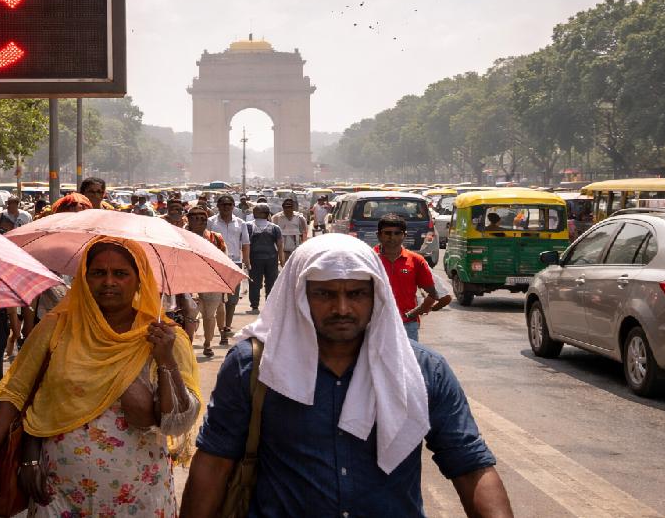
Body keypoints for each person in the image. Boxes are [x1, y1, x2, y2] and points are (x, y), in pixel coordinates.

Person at [180, 234, 513, 517]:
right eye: (324, 294)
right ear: (299, 296)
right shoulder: (254, 367)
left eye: (356, 294)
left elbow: (470, 467)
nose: (341, 308)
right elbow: (214, 462)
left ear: (376, 296)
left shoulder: (423, 370)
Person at [0, 237, 202, 517]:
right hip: (57, 492)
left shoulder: (163, 337)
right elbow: (15, 394)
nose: (109, 282)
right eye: (98, 273)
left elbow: (177, 423)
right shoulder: (56, 327)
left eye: (121, 274)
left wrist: (165, 360)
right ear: (83, 279)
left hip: (139, 495)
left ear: (140, 280)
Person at [375, 214, 450, 342]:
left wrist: (416, 312)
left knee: (408, 361)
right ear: (379, 235)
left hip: (407, 326)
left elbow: (436, 295)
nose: (392, 237)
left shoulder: (416, 261)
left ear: (404, 235)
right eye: (387, 233)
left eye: (397, 233)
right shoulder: (369, 259)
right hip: (375, 327)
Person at [186, 206, 229, 358]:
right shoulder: (180, 236)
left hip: (211, 283)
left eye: (203, 218)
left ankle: (207, 344)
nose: (200, 221)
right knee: (189, 316)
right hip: (187, 282)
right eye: (195, 218)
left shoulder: (216, 238)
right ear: (189, 220)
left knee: (209, 316)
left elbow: (224, 261)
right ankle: (187, 345)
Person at [208, 196, 250, 345]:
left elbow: (245, 244)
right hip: (216, 263)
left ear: (233, 206)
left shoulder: (241, 223)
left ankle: (226, 325)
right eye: (223, 204)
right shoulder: (210, 222)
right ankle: (217, 327)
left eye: (229, 204)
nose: (226, 207)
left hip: (234, 263)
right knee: (217, 299)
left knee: (232, 298)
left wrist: (247, 262)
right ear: (218, 206)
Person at [245, 204, 283, 313]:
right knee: (254, 283)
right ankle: (255, 306)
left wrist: (282, 261)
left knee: (271, 283)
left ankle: (269, 306)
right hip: (255, 259)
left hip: (271, 259)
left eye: (257, 211)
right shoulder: (248, 226)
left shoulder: (275, 228)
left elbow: (280, 245)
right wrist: (246, 259)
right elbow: (245, 244)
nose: (254, 212)